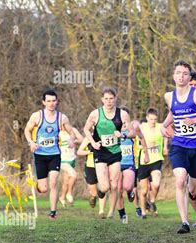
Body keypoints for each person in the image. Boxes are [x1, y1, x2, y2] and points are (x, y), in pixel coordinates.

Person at [161, 60, 196, 234]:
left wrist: (195, 120)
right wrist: (164, 126)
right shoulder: (169, 96)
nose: (181, 76)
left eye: (185, 73)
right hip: (179, 145)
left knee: (194, 189)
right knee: (180, 180)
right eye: (178, 73)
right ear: (173, 76)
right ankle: (184, 222)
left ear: (189, 76)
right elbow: (173, 113)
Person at [83, 87, 137, 219]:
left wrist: (123, 136)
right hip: (100, 152)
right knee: (105, 186)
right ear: (102, 99)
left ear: (115, 99)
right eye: (106, 98)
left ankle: (111, 212)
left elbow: (132, 133)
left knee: (114, 184)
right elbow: (85, 129)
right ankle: (100, 192)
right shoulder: (95, 114)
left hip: (115, 153)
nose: (108, 101)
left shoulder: (122, 114)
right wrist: (93, 143)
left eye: (111, 98)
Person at [24, 89, 76, 219]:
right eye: (48, 101)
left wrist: (71, 140)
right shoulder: (37, 116)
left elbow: (72, 132)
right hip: (40, 155)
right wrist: (31, 142)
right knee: (44, 188)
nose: (51, 103)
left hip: (54, 155)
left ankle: (52, 212)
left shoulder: (62, 118)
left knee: (53, 182)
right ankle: (39, 185)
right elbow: (27, 130)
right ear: (44, 102)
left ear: (57, 101)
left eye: (53, 101)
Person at [137, 108, 166, 218]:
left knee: (156, 183)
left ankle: (152, 200)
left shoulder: (160, 127)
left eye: (155, 119)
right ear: (147, 118)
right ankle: (144, 212)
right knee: (144, 191)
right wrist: (147, 146)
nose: (153, 121)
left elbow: (166, 135)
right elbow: (137, 145)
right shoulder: (141, 127)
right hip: (144, 160)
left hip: (157, 159)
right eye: (151, 119)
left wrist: (165, 147)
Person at [58, 127, 83, 207]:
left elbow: (82, 139)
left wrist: (73, 141)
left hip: (71, 158)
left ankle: (62, 197)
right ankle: (69, 193)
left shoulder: (72, 130)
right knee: (74, 175)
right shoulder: (57, 131)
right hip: (62, 159)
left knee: (66, 181)